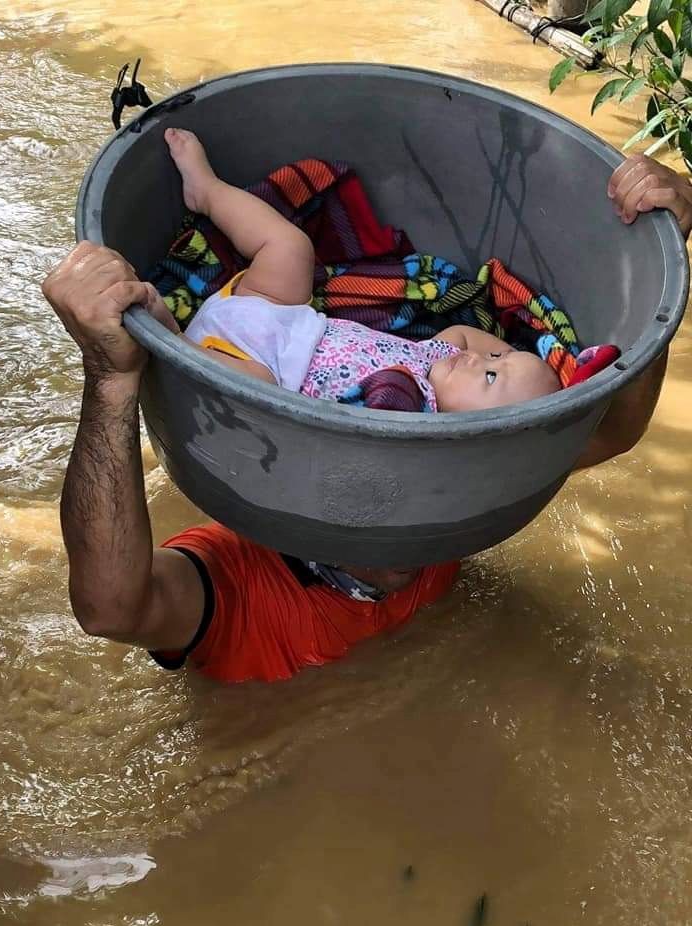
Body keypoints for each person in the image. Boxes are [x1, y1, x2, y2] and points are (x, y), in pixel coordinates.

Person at [42, 152, 691, 683]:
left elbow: (611, 429)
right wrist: (111, 377)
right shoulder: (242, 586)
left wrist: (665, 251)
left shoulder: (447, 497)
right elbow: (110, 608)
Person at [155, 128, 560, 413]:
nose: (477, 360)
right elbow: (462, 336)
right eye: (495, 356)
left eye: (490, 376)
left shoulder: (415, 412)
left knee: (256, 389)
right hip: (278, 311)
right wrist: (501, 352)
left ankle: (170, 342)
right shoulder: (440, 356)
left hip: (255, 368)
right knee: (292, 248)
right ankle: (208, 191)